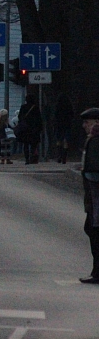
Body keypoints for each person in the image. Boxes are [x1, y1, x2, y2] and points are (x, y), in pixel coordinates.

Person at [80, 108, 99, 284]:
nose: (85, 126)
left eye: (87, 122)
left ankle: (97, 272)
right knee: (91, 230)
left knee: (94, 232)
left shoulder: (94, 141)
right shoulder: (92, 140)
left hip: (95, 199)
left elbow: (93, 172)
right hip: (92, 199)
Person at [18, 93, 43, 164]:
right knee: (33, 144)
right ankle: (32, 157)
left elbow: (20, 117)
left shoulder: (23, 107)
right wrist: (39, 128)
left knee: (25, 144)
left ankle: (26, 159)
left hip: (25, 129)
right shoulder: (36, 108)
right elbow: (39, 119)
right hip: (34, 129)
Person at [53, 93, 74, 164]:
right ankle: (64, 157)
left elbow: (55, 115)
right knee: (66, 140)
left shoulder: (57, 106)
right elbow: (72, 115)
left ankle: (59, 156)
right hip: (67, 124)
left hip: (59, 125)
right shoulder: (69, 106)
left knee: (59, 140)